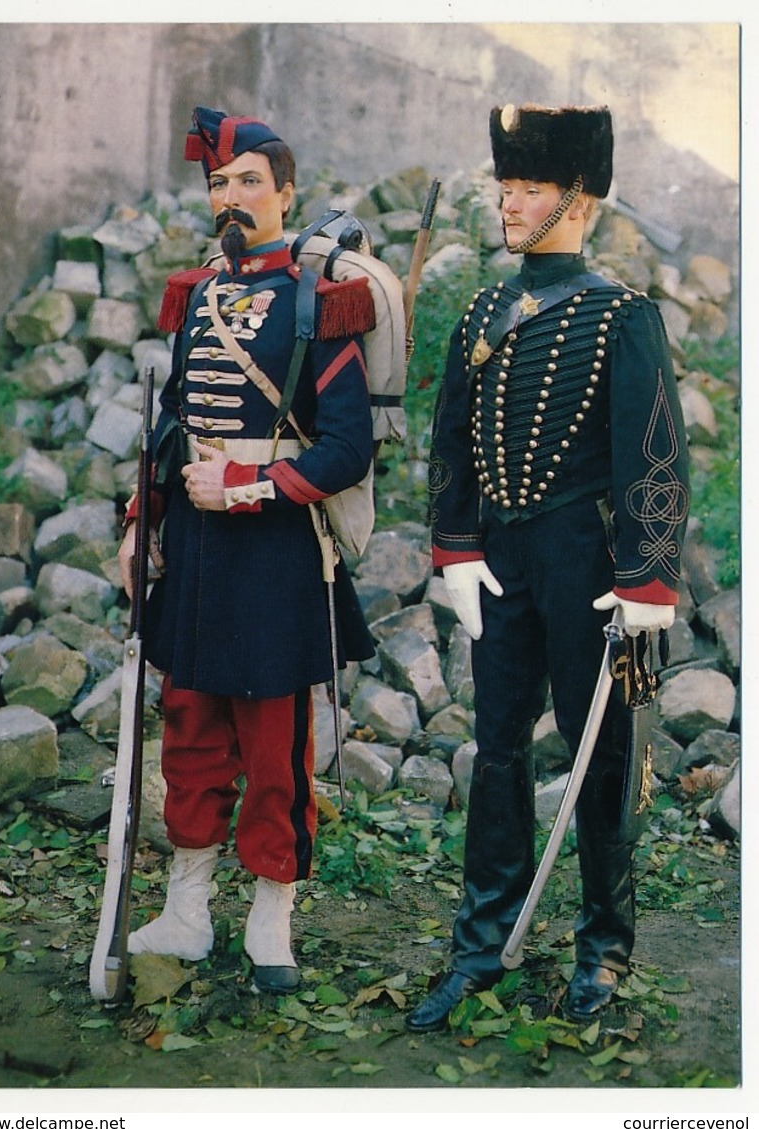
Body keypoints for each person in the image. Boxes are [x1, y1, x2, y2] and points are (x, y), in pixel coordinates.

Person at [405, 103, 690, 1032]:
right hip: (501, 559)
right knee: (494, 751)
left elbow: (655, 455)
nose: (507, 201)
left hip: (591, 563)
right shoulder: (485, 307)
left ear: (577, 198)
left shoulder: (623, 314)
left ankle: (603, 952)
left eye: (525, 187)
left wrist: (648, 580)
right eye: (504, 184)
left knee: (603, 754)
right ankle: (481, 942)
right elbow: (450, 440)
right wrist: (453, 546)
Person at [117, 106, 376, 994]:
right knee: (189, 723)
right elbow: (171, 424)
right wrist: (138, 523)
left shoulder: (319, 301)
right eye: (219, 185)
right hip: (190, 546)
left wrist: (252, 485)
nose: (231, 199)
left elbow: (348, 448)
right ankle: (187, 906)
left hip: (272, 547)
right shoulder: (194, 295)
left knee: (273, 742)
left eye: (249, 183)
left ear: (285, 192)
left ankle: (272, 909)